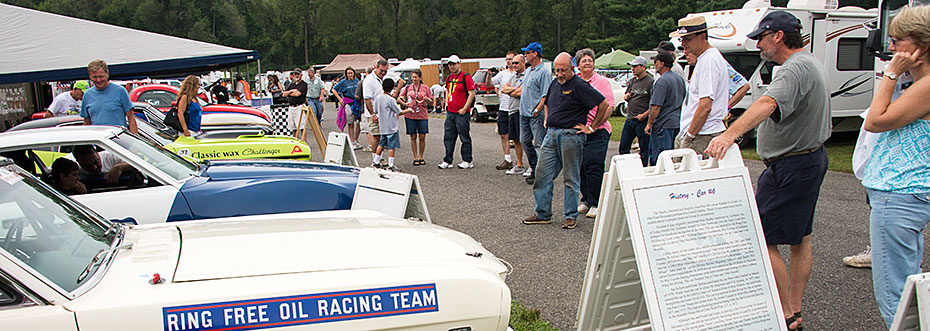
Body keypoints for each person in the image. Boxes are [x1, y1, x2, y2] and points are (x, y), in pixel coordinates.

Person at [705, 11, 832, 331]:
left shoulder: (793, 68)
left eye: (761, 37)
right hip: (810, 158)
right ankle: (795, 308)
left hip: (791, 165)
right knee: (801, 238)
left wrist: (728, 134)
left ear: (778, 36)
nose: (758, 45)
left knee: (763, 236)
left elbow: (767, 104)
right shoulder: (811, 61)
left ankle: (786, 312)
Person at [858, 5, 930, 327]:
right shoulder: (919, 84)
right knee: (910, 288)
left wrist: (889, 74)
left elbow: (875, 121)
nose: (890, 48)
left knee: (895, 296)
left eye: (897, 40)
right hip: (905, 195)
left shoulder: (925, 87)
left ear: (922, 46)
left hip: (898, 194)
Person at [522, 52, 609, 230]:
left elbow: (604, 104)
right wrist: (547, 118)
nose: (560, 74)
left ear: (572, 68)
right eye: (557, 70)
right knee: (542, 174)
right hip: (551, 134)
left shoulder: (579, 85)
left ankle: (570, 215)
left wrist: (591, 127)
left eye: (563, 70)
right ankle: (543, 213)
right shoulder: (555, 83)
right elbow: (547, 102)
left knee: (571, 177)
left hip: (571, 136)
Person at [671, 16, 730, 159]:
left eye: (688, 39)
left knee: (687, 178)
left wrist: (690, 136)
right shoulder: (705, 59)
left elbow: (705, 106)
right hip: (698, 132)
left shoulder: (709, 61)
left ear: (703, 36)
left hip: (702, 134)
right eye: (681, 39)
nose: (683, 43)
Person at [575, 48, 614, 219]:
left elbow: (609, 107)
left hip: (598, 131)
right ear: (578, 65)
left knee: (594, 164)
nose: (588, 63)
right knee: (581, 165)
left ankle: (597, 202)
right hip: (579, 130)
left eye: (590, 60)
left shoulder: (601, 82)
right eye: (584, 60)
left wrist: (593, 126)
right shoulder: (575, 82)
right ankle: (586, 200)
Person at [518, 42, 553, 184]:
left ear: (535, 54)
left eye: (527, 53)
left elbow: (546, 95)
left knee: (539, 144)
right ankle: (534, 167)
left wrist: (537, 110)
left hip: (535, 115)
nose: (525, 55)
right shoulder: (528, 71)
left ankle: (542, 174)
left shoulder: (543, 72)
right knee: (524, 141)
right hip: (524, 113)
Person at [644, 53, 687, 166]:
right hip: (676, 122)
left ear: (662, 64)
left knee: (660, 158)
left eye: (656, 62)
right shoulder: (679, 79)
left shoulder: (662, 81)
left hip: (663, 124)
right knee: (673, 156)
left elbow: (656, 106)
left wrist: (649, 124)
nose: (655, 65)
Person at [437, 55, 476, 169]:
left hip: (461, 113)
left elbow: (471, 93)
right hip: (451, 112)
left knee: (464, 137)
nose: (452, 66)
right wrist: (446, 103)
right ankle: (448, 160)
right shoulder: (449, 77)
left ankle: (467, 160)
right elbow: (448, 90)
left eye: (454, 64)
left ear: (459, 63)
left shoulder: (466, 77)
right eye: (450, 64)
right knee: (448, 137)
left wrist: (465, 108)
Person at [80, 59, 138, 134]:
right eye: (94, 77)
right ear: (90, 76)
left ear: (107, 74)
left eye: (101, 76)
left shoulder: (120, 91)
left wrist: (133, 141)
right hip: (98, 141)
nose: (98, 80)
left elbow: (131, 118)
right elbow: (86, 122)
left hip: (119, 140)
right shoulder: (87, 95)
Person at [618, 56, 654, 166]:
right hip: (630, 119)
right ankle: (627, 167)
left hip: (641, 120)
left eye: (635, 66)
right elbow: (626, 94)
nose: (632, 69)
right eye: (632, 66)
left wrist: (645, 115)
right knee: (623, 147)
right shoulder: (632, 81)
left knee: (644, 149)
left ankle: (642, 169)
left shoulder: (650, 81)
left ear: (643, 67)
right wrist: (626, 96)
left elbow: (654, 103)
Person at [372, 79, 413, 171]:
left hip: (382, 126)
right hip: (391, 127)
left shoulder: (378, 99)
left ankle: (376, 161)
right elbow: (399, 112)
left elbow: (375, 110)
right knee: (392, 147)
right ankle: (391, 165)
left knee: (381, 144)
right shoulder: (390, 100)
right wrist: (409, 110)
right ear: (392, 88)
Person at [397, 69, 432, 166]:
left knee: (422, 136)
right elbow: (399, 97)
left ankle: (421, 156)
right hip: (410, 113)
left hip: (422, 113)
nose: (414, 79)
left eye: (416, 77)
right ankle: (415, 157)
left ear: (420, 78)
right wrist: (405, 103)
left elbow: (432, 101)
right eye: (413, 77)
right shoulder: (408, 87)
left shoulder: (425, 88)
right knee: (413, 136)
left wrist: (427, 99)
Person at [500, 54, 527, 176]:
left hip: (522, 111)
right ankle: (519, 164)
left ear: (523, 63)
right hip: (511, 110)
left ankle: (532, 165)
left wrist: (513, 90)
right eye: (513, 63)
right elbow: (504, 89)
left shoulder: (527, 76)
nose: (514, 65)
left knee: (525, 139)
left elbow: (521, 92)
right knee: (516, 139)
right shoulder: (513, 76)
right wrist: (514, 90)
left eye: (517, 63)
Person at [493, 51, 518, 170]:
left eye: (511, 59)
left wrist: (508, 89)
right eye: (507, 59)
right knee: (503, 135)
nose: (509, 61)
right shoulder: (502, 74)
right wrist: (489, 75)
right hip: (503, 108)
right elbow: (491, 83)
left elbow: (518, 90)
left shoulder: (519, 75)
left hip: (515, 109)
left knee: (517, 137)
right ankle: (507, 159)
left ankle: (520, 162)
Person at [68, 145, 136, 185]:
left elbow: (136, 164)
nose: (94, 167)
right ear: (79, 162)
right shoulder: (74, 168)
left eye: (96, 162)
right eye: (88, 166)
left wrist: (119, 167)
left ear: (97, 153)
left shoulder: (111, 156)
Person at [364, 60, 390, 161]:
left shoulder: (383, 79)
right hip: (373, 113)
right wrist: (372, 114)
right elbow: (367, 99)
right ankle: (375, 159)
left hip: (383, 113)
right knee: (376, 136)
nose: (383, 73)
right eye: (381, 70)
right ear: (376, 68)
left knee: (382, 137)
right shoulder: (369, 80)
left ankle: (380, 158)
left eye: (385, 71)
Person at [332, 67, 362, 149]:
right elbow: (334, 90)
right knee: (350, 123)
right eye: (348, 73)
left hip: (356, 103)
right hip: (348, 103)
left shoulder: (357, 81)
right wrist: (340, 99)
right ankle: (351, 141)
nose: (350, 75)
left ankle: (356, 140)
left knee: (359, 123)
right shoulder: (343, 82)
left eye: (351, 73)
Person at [281, 68, 308, 136]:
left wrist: (289, 93)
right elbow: (284, 94)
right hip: (291, 107)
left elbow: (298, 94)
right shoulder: (291, 84)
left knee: (302, 127)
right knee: (293, 127)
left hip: (299, 107)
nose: (296, 75)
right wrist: (292, 91)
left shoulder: (303, 84)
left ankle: (303, 143)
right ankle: (295, 142)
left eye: (297, 74)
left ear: (301, 75)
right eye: (294, 74)